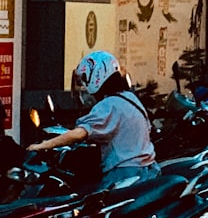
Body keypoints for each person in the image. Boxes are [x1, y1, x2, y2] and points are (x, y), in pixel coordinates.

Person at [27, 50, 160, 189]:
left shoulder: (109, 105)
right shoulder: (129, 98)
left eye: (85, 78)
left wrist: (43, 145)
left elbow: (79, 134)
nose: (84, 84)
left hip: (125, 173)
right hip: (147, 169)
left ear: (96, 75)